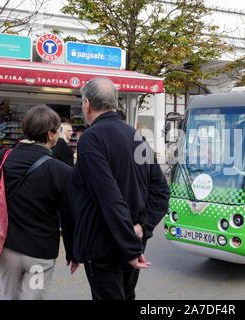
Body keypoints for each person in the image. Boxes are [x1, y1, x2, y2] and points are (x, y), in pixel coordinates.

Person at [72, 78, 170, 300]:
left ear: (87, 104)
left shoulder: (90, 138)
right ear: (115, 104)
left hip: (106, 246)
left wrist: (131, 245)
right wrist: (140, 228)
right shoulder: (137, 137)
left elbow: (110, 198)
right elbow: (162, 191)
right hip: (131, 241)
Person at [0, 105, 78, 300]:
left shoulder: (4, 157)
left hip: (7, 248)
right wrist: (72, 252)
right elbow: (69, 216)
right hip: (39, 252)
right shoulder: (60, 170)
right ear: (50, 134)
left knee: (11, 296)